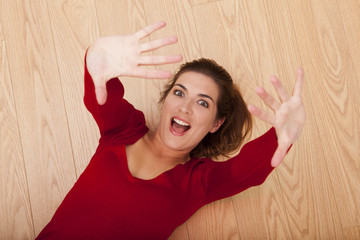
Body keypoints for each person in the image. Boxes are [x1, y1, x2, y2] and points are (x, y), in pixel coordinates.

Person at [36, 21, 305, 239]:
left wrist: (280, 136)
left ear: (215, 123)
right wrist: (96, 59)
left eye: (202, 102)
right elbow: (100, 97)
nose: (185, 107)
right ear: (166, 100)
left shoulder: (197, 182)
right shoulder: (123, 130)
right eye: (179, 92)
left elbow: (242, 172)